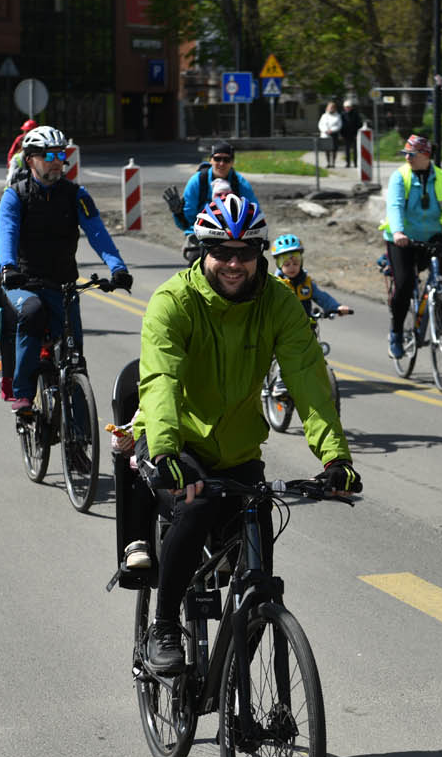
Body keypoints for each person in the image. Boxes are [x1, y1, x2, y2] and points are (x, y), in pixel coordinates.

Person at [120, 194, 360, 673]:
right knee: (197, 506)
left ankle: (234, 677)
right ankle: (164, 625)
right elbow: (161, 380)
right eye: (222, 252)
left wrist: (335, 459)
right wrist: (166, 449)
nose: (234, 263)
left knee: (258, 558)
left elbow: (308, 382)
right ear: (200, 251)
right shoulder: (174, 301)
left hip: (237, 449)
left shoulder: (278, 304)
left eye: (246, 253)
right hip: (173, 441)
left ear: (261, 255)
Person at [0, 125, 132, 412]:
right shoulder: (15, 195)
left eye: (61, 154)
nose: (57, 161)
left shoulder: (76, 195)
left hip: (63, 284)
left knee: (74, 358)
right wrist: (7, 267)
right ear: (30, 158)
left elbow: (97, 233)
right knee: (32, 313)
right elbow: (6, 233)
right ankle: (22, 393)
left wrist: (117, 268)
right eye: (49, 155)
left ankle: (80, 442)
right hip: (24, 281)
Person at [381, 134, 442, 358]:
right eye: (405, 154)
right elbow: (394, 207)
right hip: (402, 238)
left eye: (411, 154)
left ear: (425, 156)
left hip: (431, 236)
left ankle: (440, 320)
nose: (407, 158)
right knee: (404, 284)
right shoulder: (400, 177)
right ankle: (396, 333)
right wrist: (397, 232)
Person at [177, 141, 258, 260]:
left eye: (227, 160)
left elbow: (254, 212)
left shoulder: (240, 183)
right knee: (195, 260)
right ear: (210, 160)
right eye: (217, 158)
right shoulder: (197, 181)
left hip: (234, 235)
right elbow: (187, 220)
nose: (221, 163)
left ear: (232, 162)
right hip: (200, 233)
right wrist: (177, 213)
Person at [271, 233, 351, 318]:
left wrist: (336, 307)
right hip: (284, 328)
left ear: (301, 263)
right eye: (287, 264)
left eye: (295, 263)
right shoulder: (275, 285)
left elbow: (322, 297)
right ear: (279, 265)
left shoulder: (306, 283)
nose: (292, 267)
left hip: (306, 327)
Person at [317, 101, 342, 168]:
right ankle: (328, 163)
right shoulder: (324, 116)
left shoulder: (338, 116)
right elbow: (320, 125)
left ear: (334, 108)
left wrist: (332, 130)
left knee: (334, 150)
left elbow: (339, 125)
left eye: (332, 107)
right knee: (327, 149)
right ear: (327, 108)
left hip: (334, 135)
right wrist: (325, 130)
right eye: (330, 107)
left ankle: (333, 163)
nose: (331, 109)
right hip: (325, 135)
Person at [339, 99, 363, 168]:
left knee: (355, 150)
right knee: (347, 150)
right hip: (346, 135)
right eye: (346, 107)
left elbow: (359, 124)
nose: (347, 108)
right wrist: (341, 134)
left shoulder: (355, 114)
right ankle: (348, 163)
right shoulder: (342, 115)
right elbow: (341, 125)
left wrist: (357, 134)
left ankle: (355, 163)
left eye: (349, 107)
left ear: (351, 107)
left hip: (354, 134)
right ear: (344, 107)